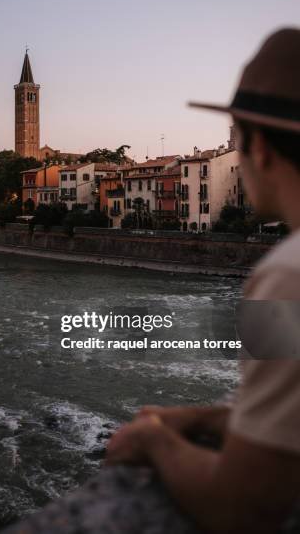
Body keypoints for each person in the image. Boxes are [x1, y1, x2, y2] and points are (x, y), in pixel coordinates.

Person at [106, 28, 300, 534]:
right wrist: (209, 420)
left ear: (256, 148)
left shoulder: (285, 275)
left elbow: (244, 507)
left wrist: (152, 439)